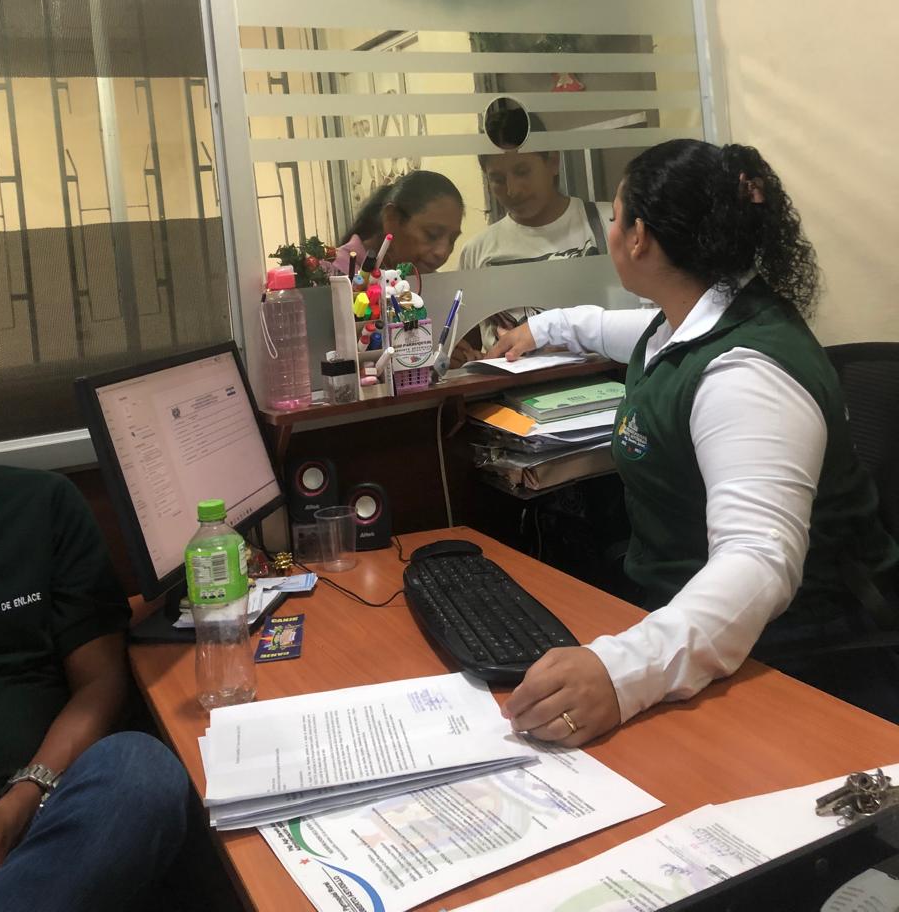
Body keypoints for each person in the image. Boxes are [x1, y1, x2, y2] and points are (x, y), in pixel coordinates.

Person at [485, 138, 899, 745]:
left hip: (792, 650)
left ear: (638, 238)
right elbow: (612, 329)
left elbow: (758, 561)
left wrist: (623, 672)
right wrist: (543, 327)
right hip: (690, 618)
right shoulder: (692, 318)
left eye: (615, 217)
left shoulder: (744, 374)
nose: (610, 229)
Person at [0, 335, 195, 911]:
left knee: (141, 769)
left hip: (47, 809)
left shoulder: (41, 507)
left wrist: (15, 806)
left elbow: (100, 681)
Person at [456, 106, 611, 359]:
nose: (513, 190)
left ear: (553, 162)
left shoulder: (609, 223)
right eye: (498, 179)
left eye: (522, 172)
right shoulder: (477, 251)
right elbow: (467, 345)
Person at [331, 169, 464, 276]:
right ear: (392, 219)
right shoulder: (333, 275)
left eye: (452, 241)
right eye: (431, 235)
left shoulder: (428, 282)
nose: (442, 253)